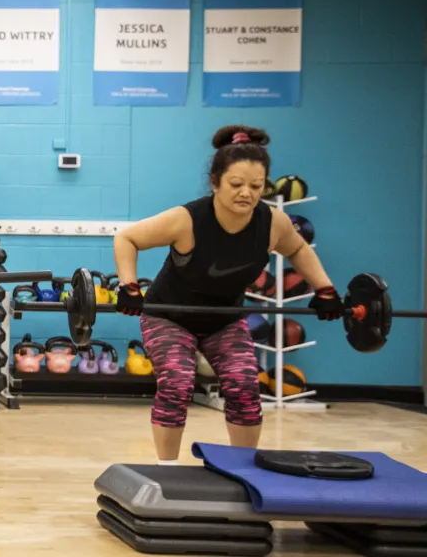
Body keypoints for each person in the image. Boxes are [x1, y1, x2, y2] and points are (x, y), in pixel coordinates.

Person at [111, 125, 344, 465]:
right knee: (177, 382)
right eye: (236, 184)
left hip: (224, 319)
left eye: (256, 186)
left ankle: (245, 469)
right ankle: (167, 468)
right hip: (168, 316)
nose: (246, 193)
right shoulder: (187, 219)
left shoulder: (273, 223)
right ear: (215, 182)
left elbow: (298, 249)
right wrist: (129, 286)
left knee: (245, 385)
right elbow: (126, 238)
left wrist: (325, 290)